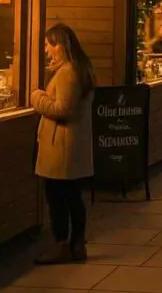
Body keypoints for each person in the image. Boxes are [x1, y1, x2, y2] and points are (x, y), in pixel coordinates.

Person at [31, 24, 96, 264]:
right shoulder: (79, 69)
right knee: (72, 196)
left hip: (62, 146)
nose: (47, 50)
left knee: (58, 197)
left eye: (49, 44)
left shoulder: (68, 72)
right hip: (70, 144)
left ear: (60, 45)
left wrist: (37, 97)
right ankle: (76, 244)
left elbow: (62, 109)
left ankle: (62, 244)